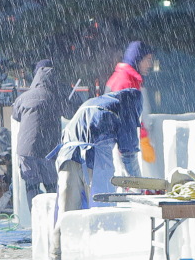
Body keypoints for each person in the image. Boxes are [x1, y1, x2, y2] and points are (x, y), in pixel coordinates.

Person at [51, 86, 144, 241]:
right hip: (94, 160)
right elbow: (128, 154)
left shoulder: (94, 102)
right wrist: (139, 185)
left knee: (66, 216)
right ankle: (99, 256)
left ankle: (60, 257)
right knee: (101, 216)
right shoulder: (126, 107)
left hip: (66, 158)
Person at [10, 61, 61, 196]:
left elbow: (16, 116)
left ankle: (35, 215)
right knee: (51, 186)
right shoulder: (56, 97)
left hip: (26, 149)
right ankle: (53, 215)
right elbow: (70, 113)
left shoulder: (23, 97)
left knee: (31, 186)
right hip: (48, 149)